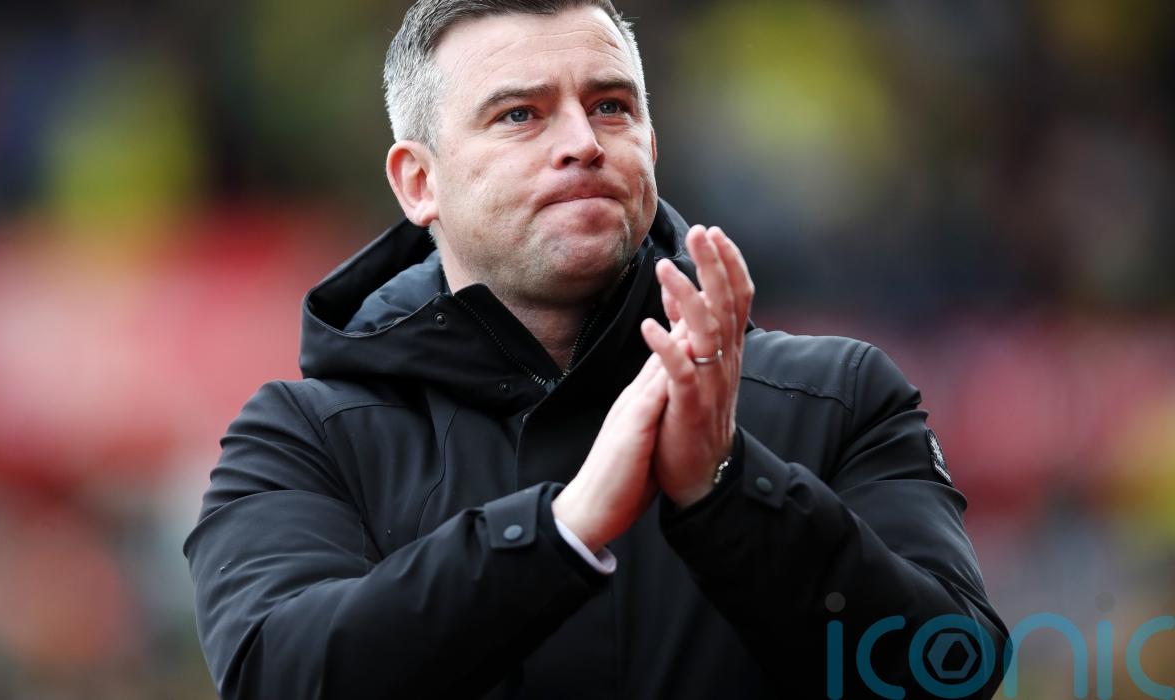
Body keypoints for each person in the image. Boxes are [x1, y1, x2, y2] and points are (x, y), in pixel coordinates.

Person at [185, 1, 1008, 697]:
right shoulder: (303, 438)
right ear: (418, 183)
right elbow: (277, 678)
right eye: (520, 115)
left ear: (651, 145)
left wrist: (728, 492)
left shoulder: (839, 397)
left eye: (611, 106)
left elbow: (953, 673)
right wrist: (560, 532)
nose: (583, 140)